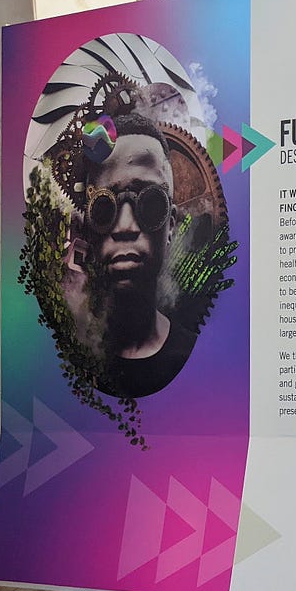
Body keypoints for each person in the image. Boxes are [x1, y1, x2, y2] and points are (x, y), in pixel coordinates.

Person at [75, 111, 196, 398]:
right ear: (88, 230)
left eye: (150, 203)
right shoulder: (69, 357)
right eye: (104, 207)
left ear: (170, 225)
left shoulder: (190, 355)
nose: (126, 227)